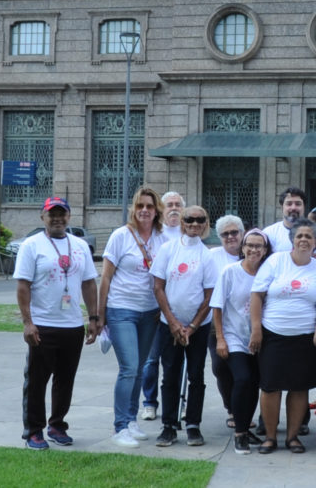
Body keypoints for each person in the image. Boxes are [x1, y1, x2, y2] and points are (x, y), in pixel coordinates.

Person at [15, 196, 99, 450]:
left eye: (62, 214)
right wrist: (28, 322)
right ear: (43, 217)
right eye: (52, 214)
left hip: (72, 325)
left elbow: (88, 283)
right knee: (37, 380)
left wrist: (93, 318)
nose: (57, 219)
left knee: (65, 379)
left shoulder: (80, 246)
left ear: (69, 217)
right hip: (43, 324)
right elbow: (22, 286)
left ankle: (57, 424)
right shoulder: (32, 245)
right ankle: (34, 431)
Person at [249, 219, 316, 454]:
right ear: (292, 240)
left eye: (309, 236)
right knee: (270, 387)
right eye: (299, 236)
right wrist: (256, 329)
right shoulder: (276, 261)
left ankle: (293, 437)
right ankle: (271, 437)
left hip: (304, 337)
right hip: (273, 334)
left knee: (299, 388)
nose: (304, 239)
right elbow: (257, 294)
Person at [98, 186, 164, 448]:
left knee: (139, 369)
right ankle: (120, 426)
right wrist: (99, 315)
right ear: (133, 210)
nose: (145, 211)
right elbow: (105, 276)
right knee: (129, 368)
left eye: (149, 206)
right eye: (140, 206)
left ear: (156, 210)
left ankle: (131, 419)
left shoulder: (162, 238)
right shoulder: (120, 236)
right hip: (121, 309)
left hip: (150, 311)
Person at [150, 206, 218, 447]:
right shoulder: (168, 249)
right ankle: (168, 425)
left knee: (196, 375)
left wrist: (191, 327)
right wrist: (174, 323)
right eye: (190, 220)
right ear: (182, 222)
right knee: (169, 374)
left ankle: (193, 425)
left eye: (200, 220)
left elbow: (210, 295)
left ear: (206, 224)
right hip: (169, 325)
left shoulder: (207, 255)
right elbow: (158, 287)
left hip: (197, 327)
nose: (195, 224)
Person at [211, 228, 270, 454]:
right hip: (233, 335)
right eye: (250, 245)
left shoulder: (268, 272)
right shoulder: (230, 271)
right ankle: (239, 434)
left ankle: (246, 428)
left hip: (260, 338)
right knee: (243, 379)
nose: (254, 250)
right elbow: (217, 306)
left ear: (265, 250)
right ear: (242, 248)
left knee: (254, 383)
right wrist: (220, 339)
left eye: (258, 246)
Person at [141, 190, 185, 420]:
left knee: (176, 361)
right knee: (151, 359)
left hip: (177, 310)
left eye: (178, 204)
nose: (174, 208)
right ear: (162, 209)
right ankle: (149, 401)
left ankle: (178, 401)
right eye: (169, 204)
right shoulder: (156, 235)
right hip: (153, 307)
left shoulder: (187, 234)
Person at [209, 215, 245, 430]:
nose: (230, 237)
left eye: (234, 232)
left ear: (242, 233)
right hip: (218, 322)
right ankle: (231, 408)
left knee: (247, 372)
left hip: (247, 322)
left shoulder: (252, 253)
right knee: (220, 367)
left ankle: (245, 409)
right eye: (225, 234)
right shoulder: (212, 256)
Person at [263, 187, 307, 253]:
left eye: (298, 204)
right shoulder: (269, 233)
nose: (293, 208)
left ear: (304, 207)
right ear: (282, 207)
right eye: (289, 204)